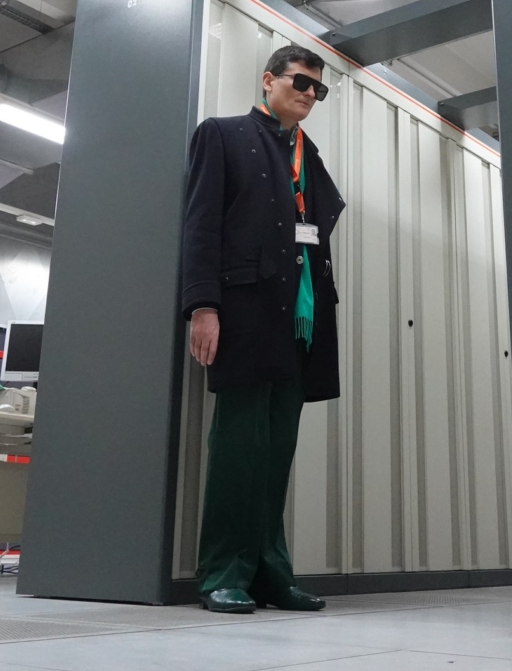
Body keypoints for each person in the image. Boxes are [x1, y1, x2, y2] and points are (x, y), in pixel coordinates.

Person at [180, 44, 345, 614]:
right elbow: (201, 224)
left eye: (318, 89)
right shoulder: (222, 135)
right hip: (246, 312)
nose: (309, 94)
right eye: (300, 82)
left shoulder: (307, 154)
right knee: (238, 449)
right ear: (269, 80)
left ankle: (271, 573)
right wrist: (203, 305)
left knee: (277, 452)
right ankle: (223, 572)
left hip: (300, 320)